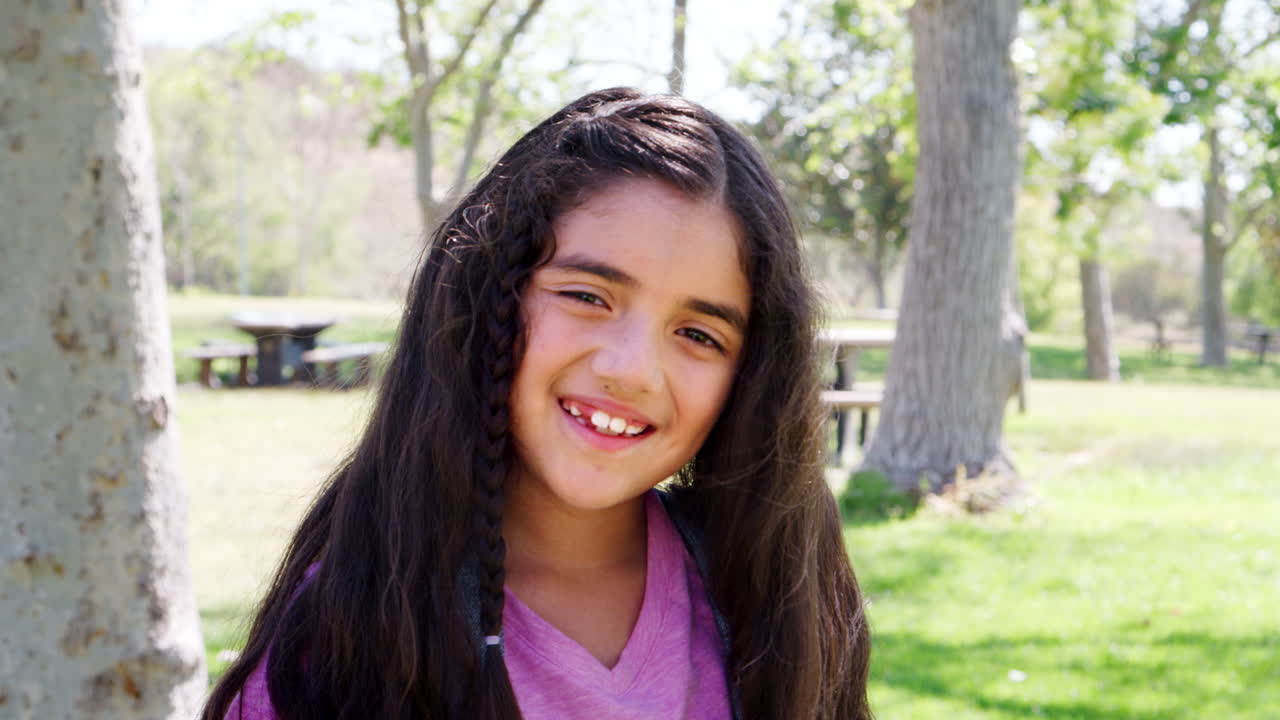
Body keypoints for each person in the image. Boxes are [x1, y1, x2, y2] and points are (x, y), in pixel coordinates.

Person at [202, 87, 871, 720]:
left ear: (750, 378)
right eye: (587, 296)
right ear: (491, 294)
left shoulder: (776, 606)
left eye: (698, 334)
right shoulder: (358, 625)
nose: (632, 369)